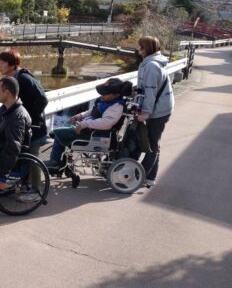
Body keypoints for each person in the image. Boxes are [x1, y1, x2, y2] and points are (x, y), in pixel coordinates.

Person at [44, 78, 130, 169]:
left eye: (105, 94)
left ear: (115, 94)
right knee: (62, 130)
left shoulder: (116, 106)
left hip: (96, 134)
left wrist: (85, 124)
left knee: (59, 133)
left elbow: (106, 123)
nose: (101, 95)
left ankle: (55, 162)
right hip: (89, 130)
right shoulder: (106, 102)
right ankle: (59, 161)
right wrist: (80, 115)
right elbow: (93, 111)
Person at [135, 36, 174, 187]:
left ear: (146, 49)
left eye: (140, 47)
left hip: (159, 109)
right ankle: (150, 178)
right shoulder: (152, 62)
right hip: (162, 106)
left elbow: (150, 92)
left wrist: (145, 112)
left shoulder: (151, 66)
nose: (138, 50)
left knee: (152, 145)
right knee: (154, 143)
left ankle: (142, 176)